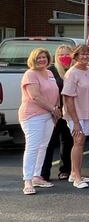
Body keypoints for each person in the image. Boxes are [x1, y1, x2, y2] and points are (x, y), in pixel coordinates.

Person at [20, 48, 60, 194]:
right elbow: (35, 96)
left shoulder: (49, 73)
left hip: (48, 115)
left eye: (44, 57)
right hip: (33, 115)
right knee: (32, 147)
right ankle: (27, 181)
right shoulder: (30, 74)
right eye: (39, 58)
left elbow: (55, 92)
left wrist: (56, 109)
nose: (42, 60)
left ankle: (37, 176)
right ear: (33, 59)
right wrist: (53, 109)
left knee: (43, 146)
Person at [62, 45, 89, 189]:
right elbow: (68, 98)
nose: (85, 56)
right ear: (75, 56)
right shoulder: (72, 73)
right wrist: (75, 121)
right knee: (78, 142)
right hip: (76, 114)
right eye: (82, 54)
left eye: (87, 54)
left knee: (81, 143)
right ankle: (76, 177)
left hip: (87, 112)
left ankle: (75, 173)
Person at [41, 44, 73, 182]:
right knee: (49, 142)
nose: (64, 57)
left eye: (67, 54)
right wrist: (53, 109)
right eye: (61, 55)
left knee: (68, 142)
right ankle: (44, 173)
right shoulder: (51, 71)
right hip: (54, 112)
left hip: (70, 113)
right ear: (56, 57)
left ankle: (65, 170)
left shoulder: (74, 70)